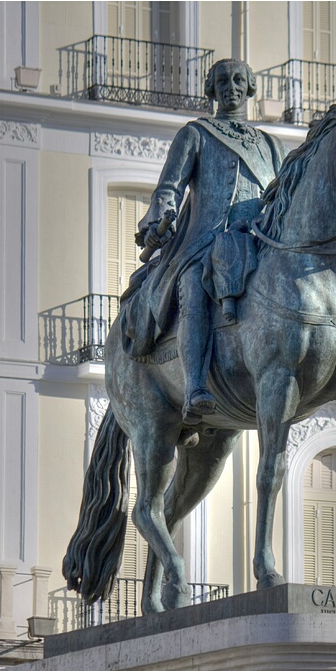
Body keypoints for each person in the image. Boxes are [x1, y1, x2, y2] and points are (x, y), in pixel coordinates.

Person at [129, 58, 287, 424]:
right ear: (211, 89)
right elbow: (169, 188)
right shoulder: (196, 134)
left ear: (249, 88)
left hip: (260, 240)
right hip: (207, 239)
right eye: (221, 81)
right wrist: (159, 220)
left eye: (237, 80)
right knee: (194, 289)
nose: (230, 87)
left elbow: (285, 195)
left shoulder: (272, 145)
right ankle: (196, 386)